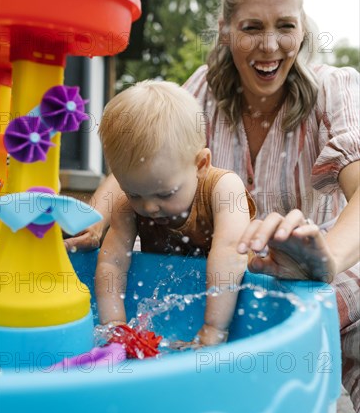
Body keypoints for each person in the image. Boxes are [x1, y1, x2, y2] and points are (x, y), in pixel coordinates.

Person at [65, 0, 359, 413]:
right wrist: (96, 215)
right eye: (251, 28)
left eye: (285, 25)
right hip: (228, 291)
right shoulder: (201, 90)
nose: (270, 46)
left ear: (303, 26)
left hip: (321, 285)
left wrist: (328, 260)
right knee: (232, 412)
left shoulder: (333, 91)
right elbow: (141, 156)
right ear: (225, 28)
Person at [95, 80, 255, 346]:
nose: (148, 207)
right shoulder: (127, 205)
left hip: (233, 301)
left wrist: (213, 329)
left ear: (201, 164)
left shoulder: (223, 189)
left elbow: (230, 256)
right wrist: (114, 325)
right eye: (134, 193)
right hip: (173, 300)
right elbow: (112, 263)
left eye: (165, 194)